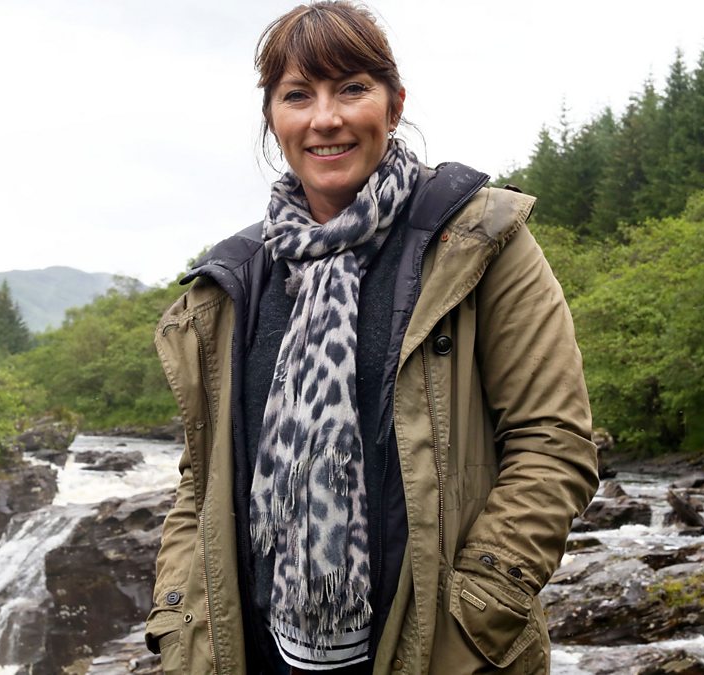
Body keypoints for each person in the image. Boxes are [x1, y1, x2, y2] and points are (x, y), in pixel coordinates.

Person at [145, 2, 598, 673]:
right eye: (298, 95)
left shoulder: (476, 242)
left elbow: (553, 442)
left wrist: (482, 601)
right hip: (259, 653)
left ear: (394, 105)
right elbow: (200, 481)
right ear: (272, 119)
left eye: (351, 88)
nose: (325, 117)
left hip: (437, 649)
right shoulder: (238, 281)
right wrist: (178, 616)